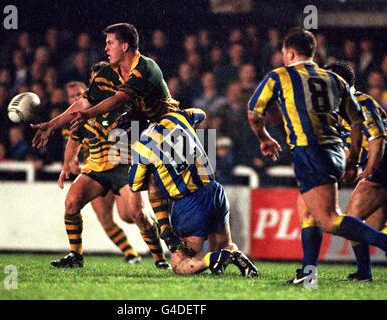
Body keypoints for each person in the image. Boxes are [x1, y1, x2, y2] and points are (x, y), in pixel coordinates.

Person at [247, 28, 387, 284]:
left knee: (330, 219)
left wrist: (265, 138)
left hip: (312, 151)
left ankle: (378, 248)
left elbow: (254, 113)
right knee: (306, 208)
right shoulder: (335, 82)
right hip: (333, 152)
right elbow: (356, 122)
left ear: (289, 52)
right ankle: (309, 273)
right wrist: (353, 159)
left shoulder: (281, 75)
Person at [34, 60, 170, 269]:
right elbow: (74, 138)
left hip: (124, 165)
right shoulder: (85, 108)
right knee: (72, 203)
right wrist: (67, 164)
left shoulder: (127, 103)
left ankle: (160, 260)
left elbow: (149, 127)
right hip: (96, 167)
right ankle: (75, 256)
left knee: (136, 214)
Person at [129, 107, 258, 276]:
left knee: (179, 264)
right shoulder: (178, 117)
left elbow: (135, 184)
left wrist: (138, 162)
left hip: (189, 201)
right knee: (225, 245)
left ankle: (219, 257)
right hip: (214, 190)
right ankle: (232, 254)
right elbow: (201, 114)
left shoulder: (143, 146)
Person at [294, 61, 387, 283]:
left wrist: (369, 171)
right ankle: (363, 273)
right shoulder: (337, 110)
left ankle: (361, 272)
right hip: (376, 170)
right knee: (365, 225)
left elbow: (379, 138)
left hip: (381, 169)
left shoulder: (361, 102)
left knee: (351, 220)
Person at [59, 66, 141, 264]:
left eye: (78, 94)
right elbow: (74, 146)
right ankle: (131, 254)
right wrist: (70, 163)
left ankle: (161, 240)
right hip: (95, 172)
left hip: (118, 167)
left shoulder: (111, 108)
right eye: (71, 96)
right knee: (105, 218)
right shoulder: (71, 125)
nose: (74, 99)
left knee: (129, 215)